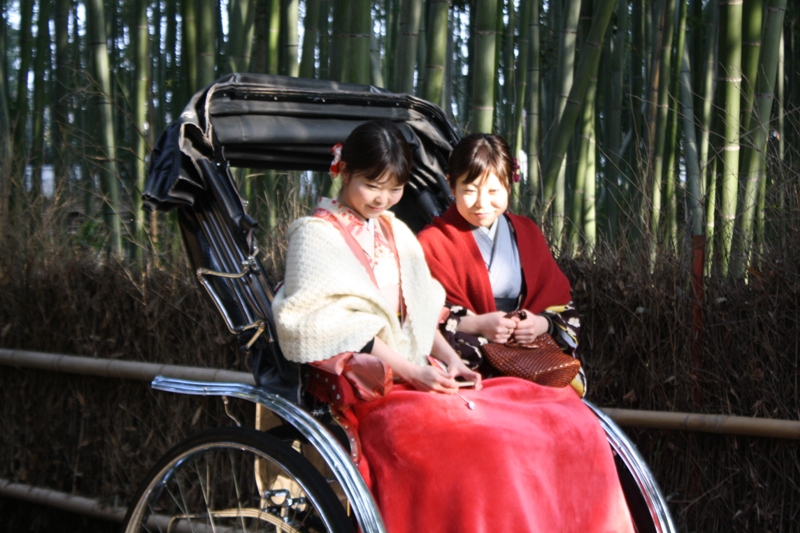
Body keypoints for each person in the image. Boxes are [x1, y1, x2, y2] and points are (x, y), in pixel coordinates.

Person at [274, 121, 634, 533]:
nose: (383, 199)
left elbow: (423, 309)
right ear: (343, 171)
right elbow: (329, 325)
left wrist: (449, 360)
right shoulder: (315, 234)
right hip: (370, 385)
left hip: (423, 372)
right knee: (483, 443)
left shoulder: (396, 231)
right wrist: (416, 370)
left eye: (394, 188)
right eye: (373, 184)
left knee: (551, 424)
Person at [418, 133, 585, 393]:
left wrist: (540, 323)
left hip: (531, 358)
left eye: (494, 190)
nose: (482, 203)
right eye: (470, 191)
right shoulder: (430, 243)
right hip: (465, 360)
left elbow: (562, 307)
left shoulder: (528, 233)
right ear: (451, 186)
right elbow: (415, 315)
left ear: (509, 184)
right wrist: (477, 324)